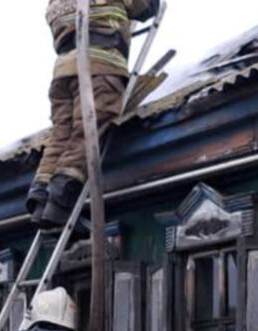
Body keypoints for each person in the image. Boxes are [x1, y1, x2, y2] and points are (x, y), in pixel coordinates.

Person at [26, 0, 160, 228]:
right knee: (86, 131)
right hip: (99, 69)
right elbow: (144, 8)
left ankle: (40, 196)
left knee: (61, 136)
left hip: (63, 73)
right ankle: (60, 199)